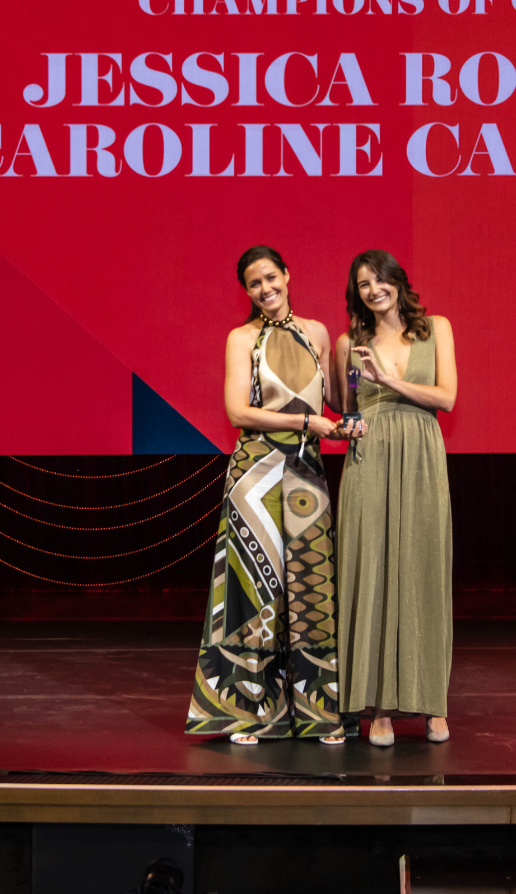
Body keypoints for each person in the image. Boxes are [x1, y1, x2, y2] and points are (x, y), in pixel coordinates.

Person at [186, 246, 362, 745]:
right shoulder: (241, 338)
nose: (265, 288)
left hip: (307, 471)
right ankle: (247, 710)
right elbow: (239, 412)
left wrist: (354, 368)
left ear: (288, 275)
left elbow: (334, 403)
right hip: (256, 473)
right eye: (254, 283)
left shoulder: (319, 332)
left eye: (270, 277)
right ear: (246, 291)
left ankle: (319, 712)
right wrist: (308, 422)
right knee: (253, 592)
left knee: (312, 586)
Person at [334, 250, 457, 746]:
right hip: (370, 460)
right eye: (363, 284)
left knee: (422, 570)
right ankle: (378, 708)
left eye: (379, 279)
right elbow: (347, 411)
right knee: (373, 573)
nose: (373, 290)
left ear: (397, 281)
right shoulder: (350, 343)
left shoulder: (436, 329)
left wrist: (388, 380)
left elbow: (447, 398)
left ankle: (432, 704)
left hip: (423, 456)